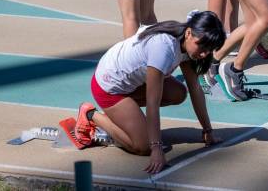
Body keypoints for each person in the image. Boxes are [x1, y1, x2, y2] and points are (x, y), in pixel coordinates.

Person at [70, 11, 225, 174]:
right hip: (108, 88)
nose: (204, 54)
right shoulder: (164, 49)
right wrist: (156, 147)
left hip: (130, 84)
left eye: (209, 50)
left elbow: (195, 88)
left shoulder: (186, 43)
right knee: (143, 146)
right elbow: (153, 103)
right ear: (188, 33)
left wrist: (208, 131)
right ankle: (91, 115)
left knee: (179, 93)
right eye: (202, 46)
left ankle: (121, 114)